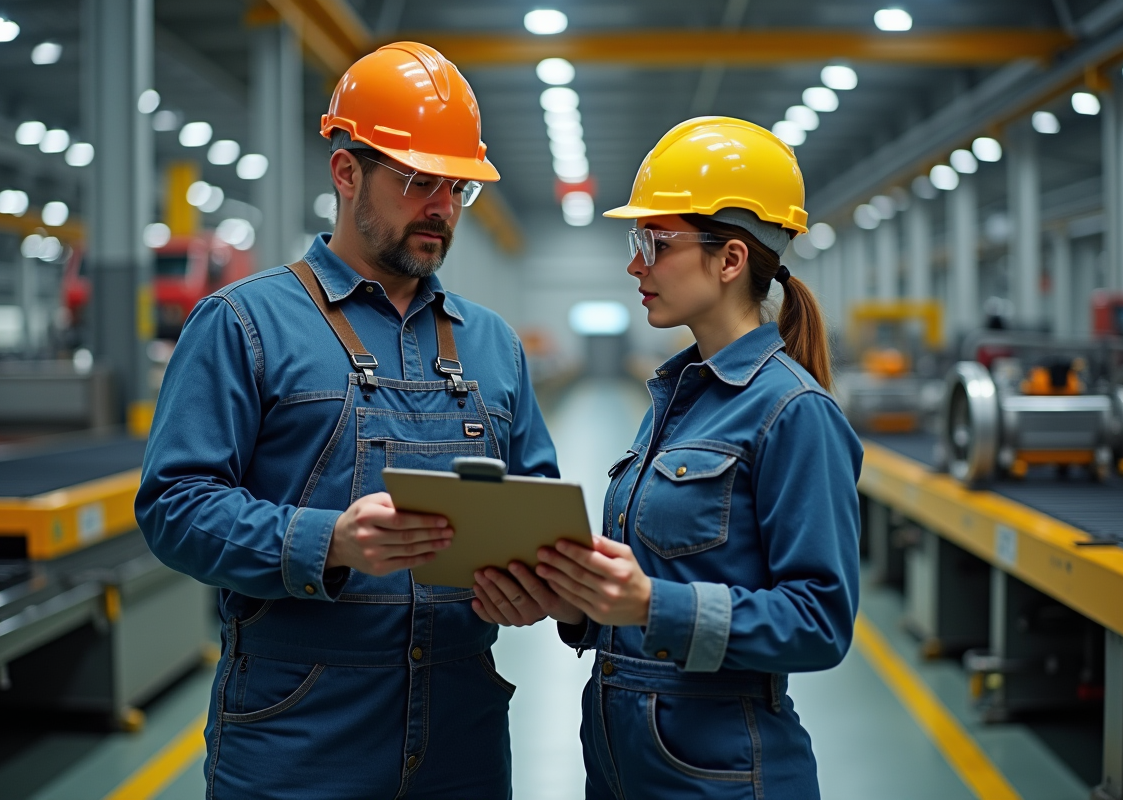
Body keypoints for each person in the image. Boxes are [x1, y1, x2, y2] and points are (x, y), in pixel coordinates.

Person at [136, 42, 564, 800]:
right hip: (297, 733)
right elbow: (174, 506)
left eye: (455, 187)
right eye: (418, 181)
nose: (442, 206)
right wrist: (325, 540)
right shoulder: (243, 324)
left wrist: (535, 582)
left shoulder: (493, 343)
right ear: (346, 172)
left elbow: (537, 501)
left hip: (460, 737)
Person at [478, 116, 863, 799]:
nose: (635, 264)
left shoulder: (793, 413)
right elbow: (648, 586)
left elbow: (819, 622)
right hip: (625, 762)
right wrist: (575, 603)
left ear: (730, 259)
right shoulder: (677, 395)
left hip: (719, 774)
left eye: (654, 242)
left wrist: (655, 603)